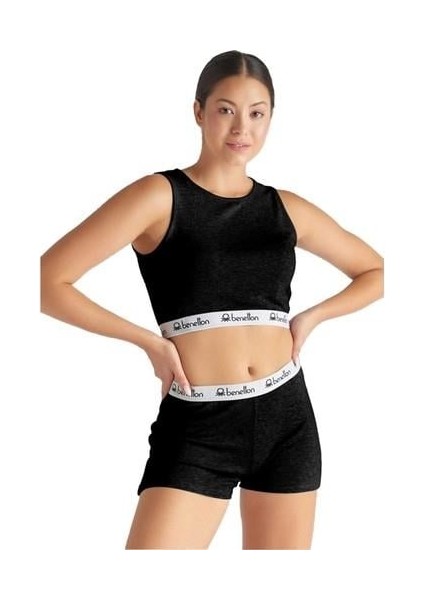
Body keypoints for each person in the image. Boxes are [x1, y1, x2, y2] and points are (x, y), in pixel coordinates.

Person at [40, 49, 384, 550]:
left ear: (271, 118)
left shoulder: (285, 208)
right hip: (198, 423)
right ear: (198, 112)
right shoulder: (159, 196)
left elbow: (376, 271)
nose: (242, 127)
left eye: (257, 113)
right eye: (226, 109)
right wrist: (149, 343)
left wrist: (313, 317)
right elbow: (47, 280)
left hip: (286, 417)